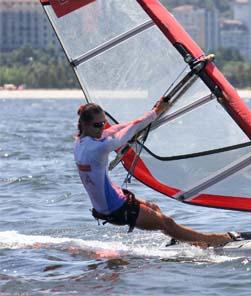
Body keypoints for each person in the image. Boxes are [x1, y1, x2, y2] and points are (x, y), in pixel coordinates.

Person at [73, 98, 234, 248]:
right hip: (116, 209)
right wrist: (156, 112)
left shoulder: (80, 142)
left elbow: (115, 129)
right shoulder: (99, 147)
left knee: (154, 208)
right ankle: (211, 241)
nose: (102, 128)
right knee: (167, 223)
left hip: (107, 203)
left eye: (103, 123)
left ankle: (179, 239)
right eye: (97, 125)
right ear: (85, 125)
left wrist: (152, 114)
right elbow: (126, 132)